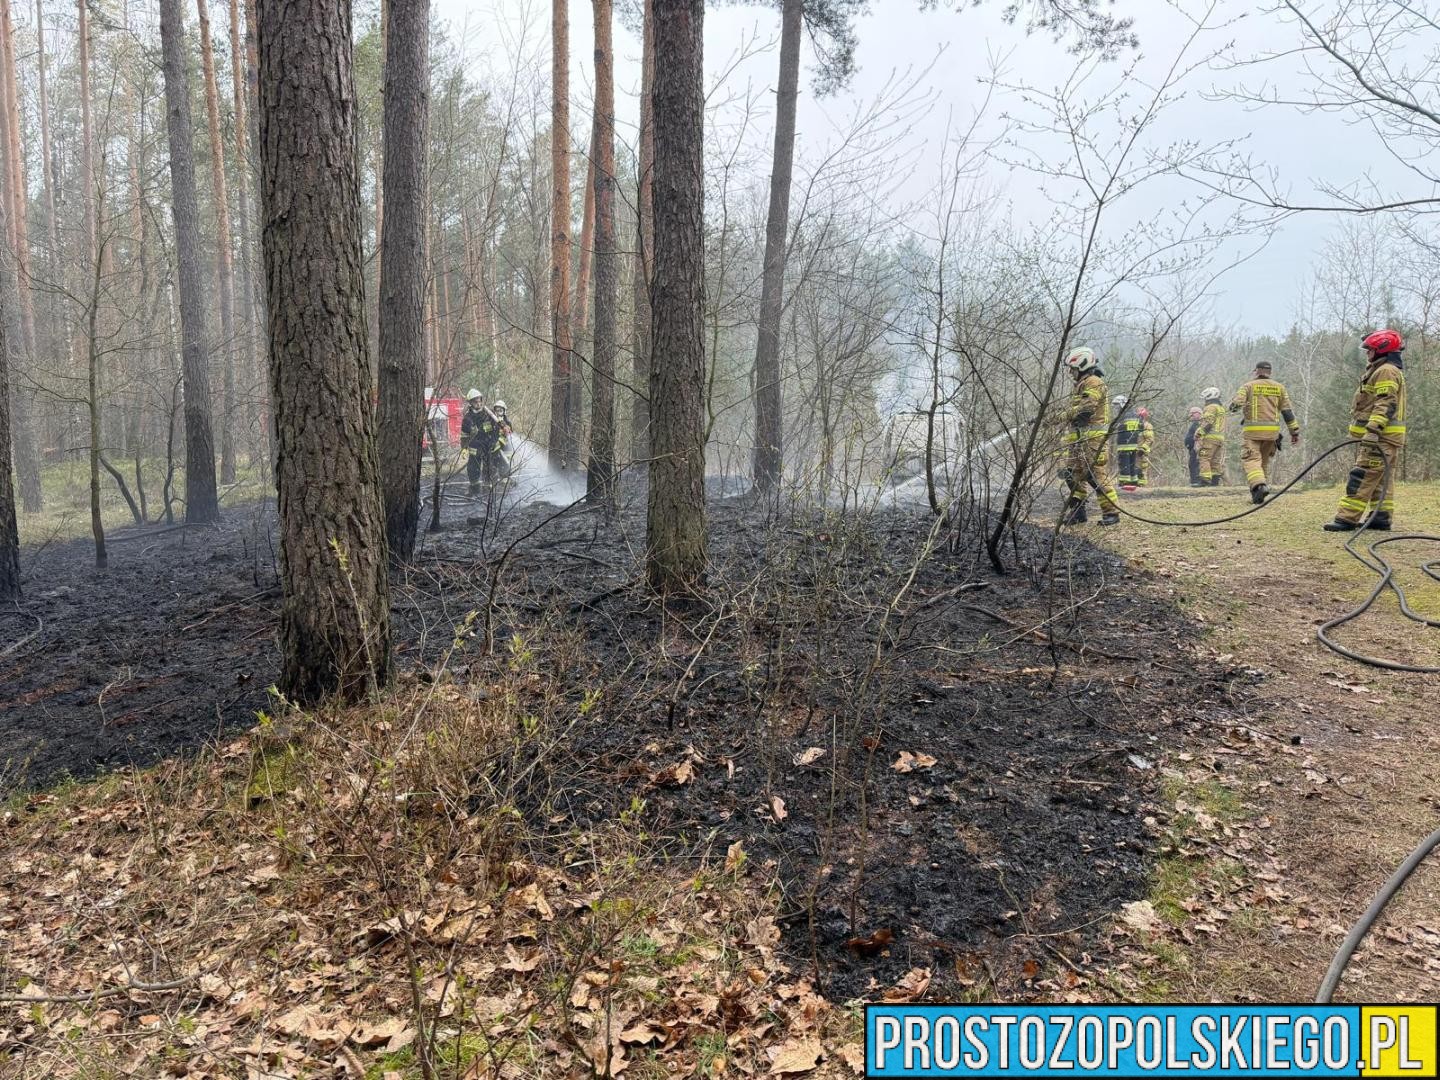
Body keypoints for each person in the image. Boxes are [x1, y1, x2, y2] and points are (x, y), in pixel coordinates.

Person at [1324, 330, 1407, 532]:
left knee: (1361, 475)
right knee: (1381, 481)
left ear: (1382, 350)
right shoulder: (1384, 369)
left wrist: (1372, 431)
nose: (1367, 353)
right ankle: (1380, 517)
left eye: (1370, 349)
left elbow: (1385, 403)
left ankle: (1346, 518)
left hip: (1380, 437)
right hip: (1387, 438)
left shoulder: (1386, 371)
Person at [1059, 347, 1121, 526]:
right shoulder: (1081, 384)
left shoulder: (1094, 382)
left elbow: (1085, 409)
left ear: (1082, 365)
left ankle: (1111, 512)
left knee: (1095, 474)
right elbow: (1076, 411)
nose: (1070, 372)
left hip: (1093, 440)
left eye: (1073, 369)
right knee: (1073, 475)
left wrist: (1059, 417)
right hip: (1079, 440)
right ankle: (1078, 512)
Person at [1229, 360, 1301, 504]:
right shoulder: (1280, 388)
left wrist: (1232, 408)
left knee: (1251, 460)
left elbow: (1235, 405)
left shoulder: (1248, 386)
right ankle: (1258, 496)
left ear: (1256, 371)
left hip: (1252, 433)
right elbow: (1287, 412)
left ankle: (1260, 486)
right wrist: (1294, 432)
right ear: (1270, 372)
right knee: (1262, 462)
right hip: (1271, 434)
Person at [460, 388, 501, 495]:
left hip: (488, 445)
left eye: (479, 401)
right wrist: (464, 448)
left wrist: (493, 442)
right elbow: (464, 435)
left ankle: (488, 491)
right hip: (475, 446)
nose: (478, 404)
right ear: (470, 403)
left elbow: (496, 430)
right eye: (475, 402)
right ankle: (474, 490)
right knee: (473, 469)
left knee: (489, 468)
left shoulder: (489, 414)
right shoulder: (467, 418)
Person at [1197, 387, 1227, 486]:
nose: (1205, 401)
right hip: (1220, 439)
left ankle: (1205, 481)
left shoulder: (1211, 407)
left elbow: (1208, 422)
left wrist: (1199, 433)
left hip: (1210, 438)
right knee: (1215, 461)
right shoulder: (1221, 408)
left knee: (1204, 457)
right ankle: (1214, 482)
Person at [1113, 395, 1143, 491]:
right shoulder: (1136, 415)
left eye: (1117, 405)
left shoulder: (1122, 416)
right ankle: (1134, 481)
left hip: (1123, 444)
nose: (1116, 408)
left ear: (1122, 404)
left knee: (1124, 463)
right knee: (1132, 463)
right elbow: (1141, 429)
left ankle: (1125, 483)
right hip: (1134, 445)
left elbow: (1113, 427)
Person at [490, 400, 514, 480]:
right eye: (497, 410)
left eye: (500, 410)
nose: (498, 412)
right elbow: (487, 431)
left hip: (505, 447)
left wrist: (503, 425)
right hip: (494, 446)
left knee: (506, 463)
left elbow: (509, 433)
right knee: (493, 463)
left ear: (504, 411)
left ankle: (505, 478)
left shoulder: (507, 422)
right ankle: (493, 479)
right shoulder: (491, 421)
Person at [1183, 406, 1204, 487]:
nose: (1190, 416)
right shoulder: (1196, 423)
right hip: (1193, 448)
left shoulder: (1199, 423)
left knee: (1194, 464)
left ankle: (1196, 481)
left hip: (1197, 447)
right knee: (1192, 464)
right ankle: (1194, 481)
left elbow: (1199, 435)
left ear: (1198, 413)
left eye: (1192, 414)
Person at [1136, 407, 1155, 487]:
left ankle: (1142, 485)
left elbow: (1150, 439)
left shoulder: (1147, 426)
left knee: (1142, 469)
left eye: (1141, 416)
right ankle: (1135, 484)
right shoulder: (1135, 426)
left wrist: (1142, 449)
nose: (1139, 418)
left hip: (1142, 453)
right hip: (1134, 451)